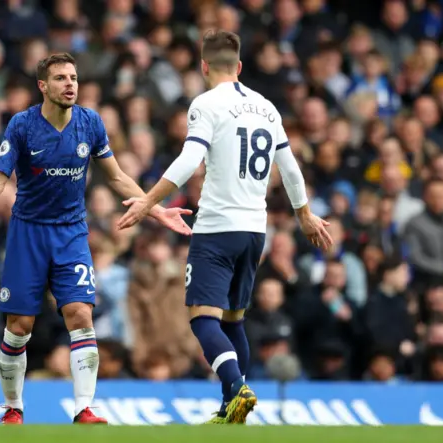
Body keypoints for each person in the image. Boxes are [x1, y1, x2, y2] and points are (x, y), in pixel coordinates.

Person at [0, 53, 192, 425]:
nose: (70, 84)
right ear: (43, 86)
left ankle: (84, 407)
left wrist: (156, 207)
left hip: (71, 233)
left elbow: (117, 177)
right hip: (28, 233)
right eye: (60, 78)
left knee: (80, 314)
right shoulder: (22, 126)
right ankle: (12, 407)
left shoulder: (90, 123)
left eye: (73, 77)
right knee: (18, 327)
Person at [117, 30, 333, 424]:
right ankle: (230, 410)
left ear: (203, 66)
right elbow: (290, 169)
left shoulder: (205, 104)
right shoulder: (267, 107)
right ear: (239, 67)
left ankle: (237, 386)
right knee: (233, 319)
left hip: (217, 228)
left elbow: (189, 158)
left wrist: (149, 200)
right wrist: (304, 214)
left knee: (203, 318)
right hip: (255, 231)